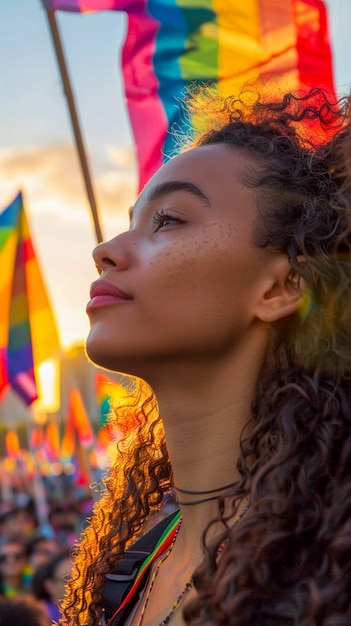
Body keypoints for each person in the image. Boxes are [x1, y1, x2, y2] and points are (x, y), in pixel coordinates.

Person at [58, 84, 351, 625]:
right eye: (131, 222)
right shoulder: (124, 575)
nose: (105, 251)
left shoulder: (325, 579)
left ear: (279, 289)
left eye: (168, 220)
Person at [30, 549, 72, 623]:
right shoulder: (37, 617)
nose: (76, 583)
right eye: (68, 578)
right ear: (49, 586)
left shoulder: (94, 613)